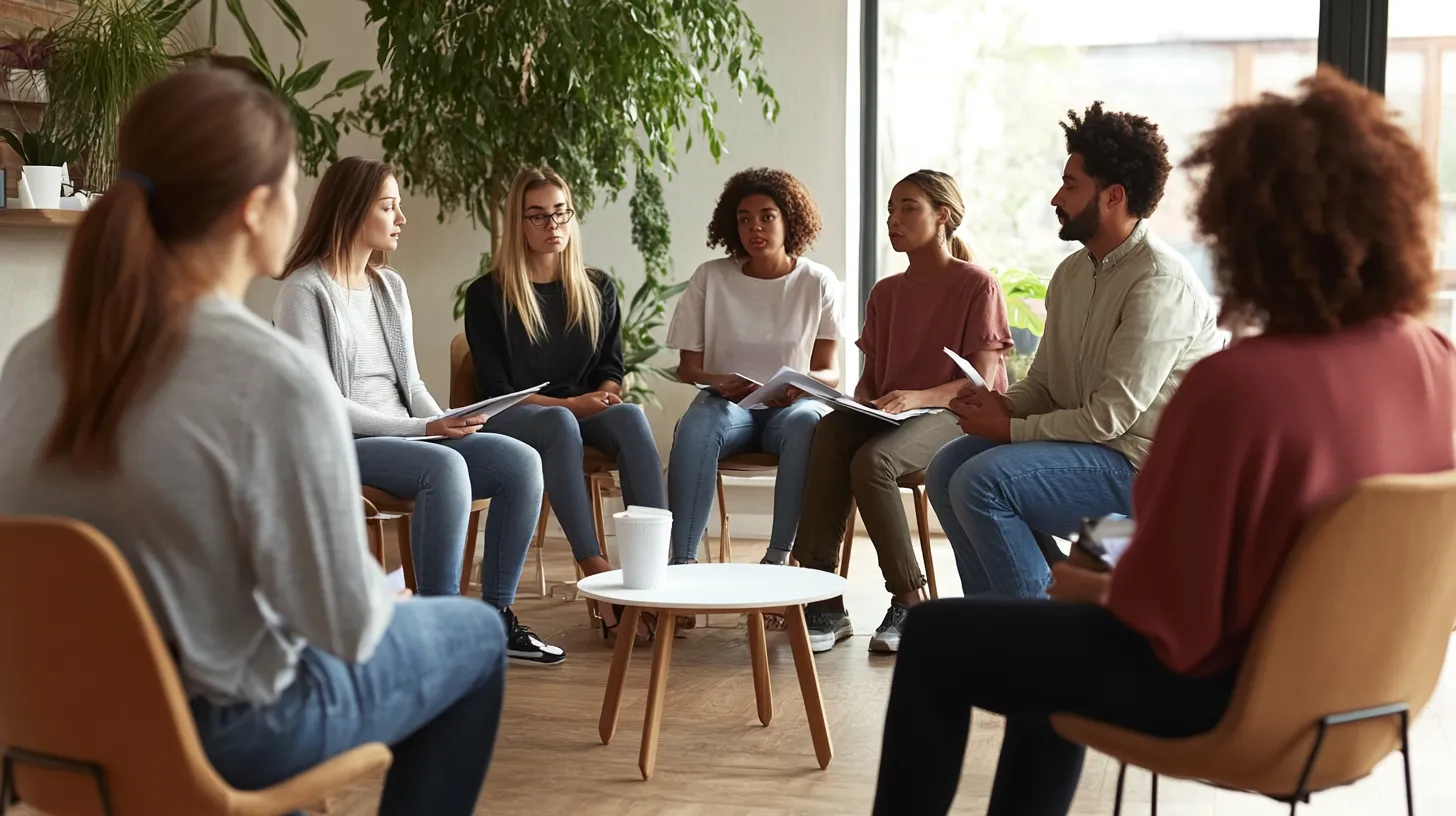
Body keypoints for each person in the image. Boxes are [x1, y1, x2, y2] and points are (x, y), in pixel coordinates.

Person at [872, 68, 1456, 816]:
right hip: (1372, 697)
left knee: (939, 638)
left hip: (1231, 690)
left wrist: (1095, 576)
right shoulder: (1435, 361)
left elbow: (1171, 606)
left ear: (1247, 230)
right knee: (1043, 635)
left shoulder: (1240, 387)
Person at [0, 68, 508, 814]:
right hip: (216, 731)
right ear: (254, 208)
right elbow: (341, 627)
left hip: (48, 724)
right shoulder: (270, 376)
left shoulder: (31, 357)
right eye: (294, 184)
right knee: (473, 636)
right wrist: (383, 595)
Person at [274, 157, 563, 667]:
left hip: (410, 435)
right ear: (350, 212)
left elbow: (411, 383)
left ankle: (495, 617)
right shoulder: (303, 291)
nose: (401, 217)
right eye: (389, 207)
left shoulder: (390, 287)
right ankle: (439, 626)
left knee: (521, 462)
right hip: (342, 444)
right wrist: (427, 430)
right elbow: (325, 404)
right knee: (445, 465)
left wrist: (455, 419)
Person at [928, 101, 1220, 604]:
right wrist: (1004, 406)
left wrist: (1011, 430)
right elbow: (1044, 381)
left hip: (1144, 474)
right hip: (1090, 454)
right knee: (948, 467)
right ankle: (997, 618)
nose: (1055, 197)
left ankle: (1038, 637)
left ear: (1113, 196)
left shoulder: (1158, 282)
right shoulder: (1071, 274)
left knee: (983, 480)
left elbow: (1109, 419)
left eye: (1070, 184)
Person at [792, 169, 1012, 654]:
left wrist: (918, 397)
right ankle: (822, 599)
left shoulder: (978, 285)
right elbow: (871, 379)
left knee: (873, 462)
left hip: (959, 415)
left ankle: (911, 602)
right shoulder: (885, 293)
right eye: (890, 209)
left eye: (908, 208)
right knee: (828, 431)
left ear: (943, 217)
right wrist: (858, 401)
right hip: (895, 414)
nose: (894, 219)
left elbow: (978, 380)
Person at [463, 165, 666, 641]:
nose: (552, 225)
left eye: (560, 213)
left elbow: (609, 368)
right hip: (515, 415)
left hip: (579, 410)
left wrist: (607, 394)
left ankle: (657, 574)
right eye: (537, 216)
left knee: (631, 417)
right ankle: (595, 573)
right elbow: (494, 389)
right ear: (517, 224)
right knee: (558, 421)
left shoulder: (596, 287)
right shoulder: (487, 295)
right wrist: (575, 406)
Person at [666, 168, 843, 571]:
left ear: (789, 220)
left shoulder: (817, 281)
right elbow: (687, 368)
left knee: (808, 422)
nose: (755, 227)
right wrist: (720, 381)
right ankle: (683, 564)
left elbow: (829, 371)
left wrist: (802, 385)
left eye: (767, 216)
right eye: (744, 219)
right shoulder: (711, 277)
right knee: (696, 423)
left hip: (792, 407)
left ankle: (780, 559)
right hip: (730, 407)